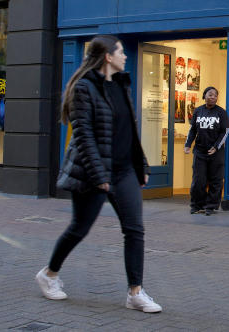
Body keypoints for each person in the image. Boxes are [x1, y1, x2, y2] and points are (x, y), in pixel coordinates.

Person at [39, 35, 161, 313]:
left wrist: (140, 164)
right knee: (79, 228)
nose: (125, 56)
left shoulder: (121, 85)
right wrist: (99, 175)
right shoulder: (84, 88)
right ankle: (49, 275)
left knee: (134, 229)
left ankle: (135, 293)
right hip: (92, 172)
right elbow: (83, 135)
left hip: (124, 171)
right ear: (108, 56)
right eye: (121, 52)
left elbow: (129, 131)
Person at [184, 86, 229, 215]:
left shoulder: (221, 112)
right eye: (210, 94)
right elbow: (193, 130)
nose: (213, 97)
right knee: (199, 180)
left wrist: (216, 147)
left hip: (216, 152)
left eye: (215, 95)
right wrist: (188, 144)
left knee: (216, 180)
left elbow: (225, 131)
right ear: (204, 96)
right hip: (200, 151)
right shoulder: (198, 111)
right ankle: (196, 205)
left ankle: (210, 206)